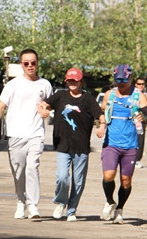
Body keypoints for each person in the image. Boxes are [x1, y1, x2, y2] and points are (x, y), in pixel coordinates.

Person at [0, 48, 53, 219]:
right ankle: (20, 201)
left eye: (33, 62)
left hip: (36, 133)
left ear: (37, 64)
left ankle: (33, 205)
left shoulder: (45, 84)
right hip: (16, 134)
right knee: (18, 171)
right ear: (21, 65)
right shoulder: (13, 85)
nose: (30, 65)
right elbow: (1, 106)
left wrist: (46, 110)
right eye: (26, 63)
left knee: (32, 167)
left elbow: (49, 104)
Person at [38, 68, 106, 222]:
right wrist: (43, 110)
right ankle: (61, 202)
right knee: (62, 177)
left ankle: (71, 210)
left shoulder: (88, 99)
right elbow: (44, 104)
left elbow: (100, 115)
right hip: (63, 144)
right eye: (70, 80)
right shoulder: (60, 96)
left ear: (81, 82)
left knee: (78, 181)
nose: (72, 83)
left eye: (75, 80)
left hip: (81, 146)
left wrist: (102, 126)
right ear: (66, 81)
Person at [100, 64, 147, 224]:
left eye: (124, 80)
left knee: (126, 181)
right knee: (108, 176)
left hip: (130, 145)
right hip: (111, 143)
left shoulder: (138, 95)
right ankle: (110, 201)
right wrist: (100, 124)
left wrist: (144, 117)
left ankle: (119, 209)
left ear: (130, 78)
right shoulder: (109, 95)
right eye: (118, 80)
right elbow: (100, 113)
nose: (121, 83)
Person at [133, 77, 147, 168]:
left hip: (141, 121)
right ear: (135, 85)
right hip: (132, 119)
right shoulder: (132, 94)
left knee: (140, 140)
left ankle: (138, 159)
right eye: (139, 84)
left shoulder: (146, 95)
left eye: (142, 84)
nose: (141, 86)